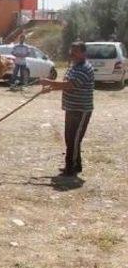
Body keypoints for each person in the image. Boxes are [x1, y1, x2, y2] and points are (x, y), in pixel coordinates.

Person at [39, 41, 94, 176]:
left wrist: (49, 82)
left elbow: (70, 85)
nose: (72, 54)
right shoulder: (73, 66)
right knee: (70, 138)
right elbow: (65, 84)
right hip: (71, 108)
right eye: (71, 51)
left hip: (81, 110)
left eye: (75, 51)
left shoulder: (85, 68)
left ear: (83, 53)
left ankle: (71, 166)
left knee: (74, 139)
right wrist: (51, 88)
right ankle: (76, 165)